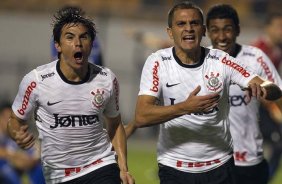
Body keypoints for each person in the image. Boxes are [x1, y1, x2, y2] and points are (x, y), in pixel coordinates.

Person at [134, 2, 282, 184]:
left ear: (203, 30)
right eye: (181, 24)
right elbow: (142, 116)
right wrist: (184, 108)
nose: (188, 29)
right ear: (170, 32)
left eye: (194, 23)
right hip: (174, 167)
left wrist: (265, 89)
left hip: (220, 167)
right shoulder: (157, 62)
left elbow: (270, 87)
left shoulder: (222, 60)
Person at [7, 6, 134, 184]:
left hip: (100, 165)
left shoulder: (106, 79)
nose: (78, 43)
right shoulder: (36, 81)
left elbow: (115, 124)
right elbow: (14, 121)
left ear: (91, 43)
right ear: (57, 45)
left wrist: (123, 168)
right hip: (58, 174)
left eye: (84, 37)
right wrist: (16, 133)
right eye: (70, 37)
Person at [206, 4, 282, 184]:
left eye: (228, 29)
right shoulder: (201, 61)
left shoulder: (255, 57)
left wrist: (263, 88)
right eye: (215, 30)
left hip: (249, 160)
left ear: (237, 30)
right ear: (207, 32)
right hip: (211, 161)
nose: (222, 36)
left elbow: (277, 92)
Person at [252, 12, 282, 180]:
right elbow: (254, 84)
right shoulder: (259, 51)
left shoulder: (277, 49)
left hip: (266, 106)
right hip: (253, 107)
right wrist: (274, 109)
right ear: (268, 28)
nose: (281, 31)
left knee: (278, 146)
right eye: (278, 27)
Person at [0, 101, 45, 184]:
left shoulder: (14, 135)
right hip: (6, 167)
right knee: (5, 169)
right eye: (6, 118)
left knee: (41, 169)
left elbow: (35, 152)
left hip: (23, 166)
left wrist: (30, 161)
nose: (9, 122)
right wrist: (12, 156)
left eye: (11, 119)